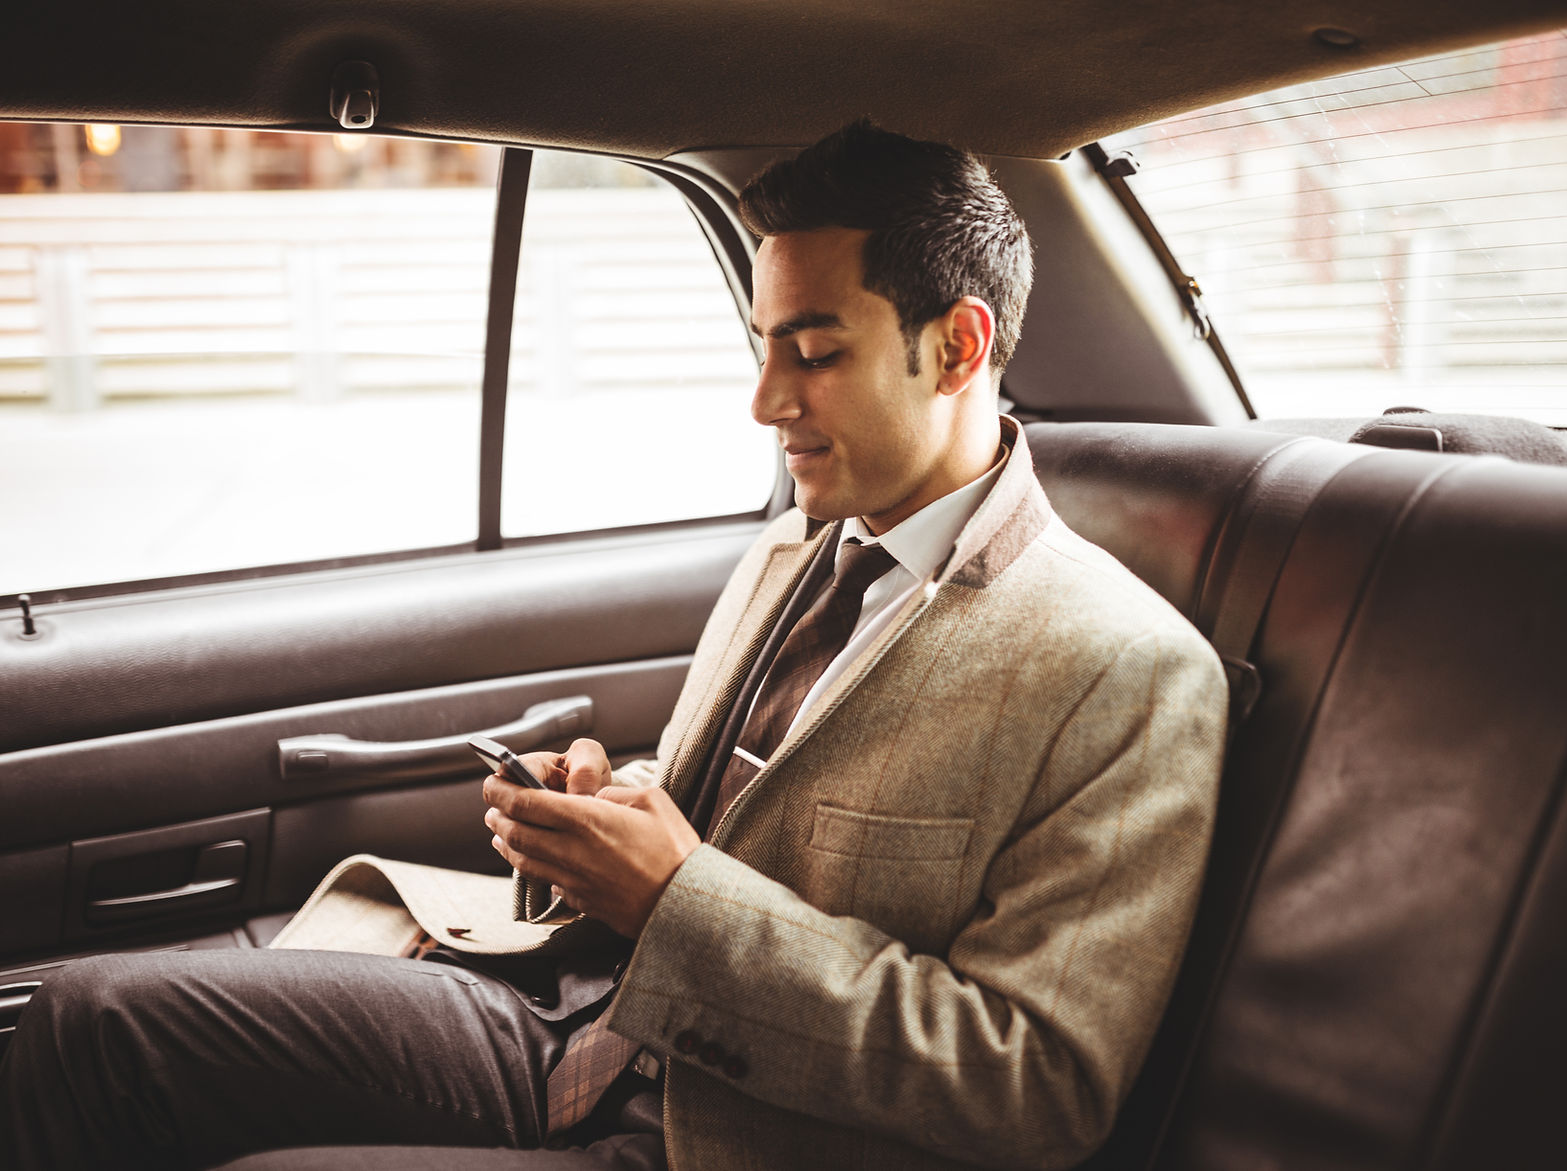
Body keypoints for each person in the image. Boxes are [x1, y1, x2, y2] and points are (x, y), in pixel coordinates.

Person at [0, 120, 1225, 1171]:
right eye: (760, 345)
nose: (765, 401)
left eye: (813, 351)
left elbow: (1036, 1086)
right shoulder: (802, 545)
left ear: (956, 346)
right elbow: (737, 831)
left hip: (732, 1138)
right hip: (576, 1023)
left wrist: (674, 894)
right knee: (89, 1017)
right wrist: (606, 820)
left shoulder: (1123, 671)